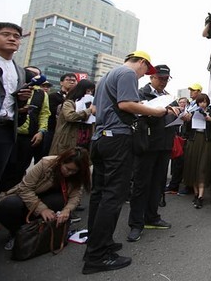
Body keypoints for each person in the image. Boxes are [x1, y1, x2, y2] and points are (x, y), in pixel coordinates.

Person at [83, 50, 167, 275]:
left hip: (100, 138)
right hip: (118, 138)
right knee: (114, 195)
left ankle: (97, 243)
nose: (141, 76)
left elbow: (95, 109)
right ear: (140, 62)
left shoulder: (106, 77)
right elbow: (126, 105)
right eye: (144, 71)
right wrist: (155, 111)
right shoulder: (127, 74)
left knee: (99, 194)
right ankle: (97, 255)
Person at [0, 148, 90, 250]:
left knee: (59, 201)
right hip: (26, 198)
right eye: (67, 169)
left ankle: (41, 231)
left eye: (74, 171)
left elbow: (75, 196)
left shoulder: (78, 175)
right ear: (61, 162)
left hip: (48, 200)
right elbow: (25, 188)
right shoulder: (46, 163)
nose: (70, 173)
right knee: (8, 204)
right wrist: (42, 209)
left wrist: (67, 210)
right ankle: (17, 233)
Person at [127, 65, 179, 243]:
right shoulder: (140, 94)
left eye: (166, 78)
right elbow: (136, 114)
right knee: (141, 185)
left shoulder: (169, 97)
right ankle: (136, 223)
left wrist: (180, 114)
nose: (163, 81)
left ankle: (152, 217)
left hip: (164, 144)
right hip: (146, 144)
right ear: (151, 77)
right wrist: (163, 111)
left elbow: (174, 115)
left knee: (158, 183)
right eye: (161, 78)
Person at [0, 66, 50, 194]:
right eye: (31, 74)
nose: (34, 77)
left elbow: (44, 114)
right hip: (8, 132)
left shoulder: (41, 94)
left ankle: (6, 202)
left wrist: (41, 131)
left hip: (29, 137)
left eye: (37, 75)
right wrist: (18, 110)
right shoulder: (12, 86)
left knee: (19, 170)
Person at [0, 22, 32, 192]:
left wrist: (22, 100)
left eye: (16, 37)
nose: (12, 39)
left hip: (7, 129)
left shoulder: (20, 71)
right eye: (5, 34)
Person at [182, 93, 211, 209]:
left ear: (207, 102)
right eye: (200, 102)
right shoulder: (192, 112)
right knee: (193, 166)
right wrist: (188, 119)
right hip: (193, 140)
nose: (202, 104)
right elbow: (185, 129)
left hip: (206, 141)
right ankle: (196, 194)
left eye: (204, 101)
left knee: (202, 167)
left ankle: (201, 196)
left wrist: (210, 120)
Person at [49, 79, 96, 156]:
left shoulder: (92, 105)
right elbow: (70, 116)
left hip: (85, 140)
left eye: (91, 92)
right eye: (88, 91)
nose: (90, 94)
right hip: (67, 141)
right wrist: (88, 110)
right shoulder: (69, 103)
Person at [42, 73, 78, 157]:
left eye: (73, 80)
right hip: (52, 130)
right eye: (68, 80)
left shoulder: (77, 99)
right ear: (61, 82)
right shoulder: (53, 96)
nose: (71, 82)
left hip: (68, 133)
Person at [165, 96, 189, 194]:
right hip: (176, 139)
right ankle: (173, 184)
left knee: (180, 163)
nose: (181, 104)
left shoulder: (189, 113)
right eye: (180, 102)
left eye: (184, 102)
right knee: (175, 163)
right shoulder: (175, 112)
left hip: (185, 140)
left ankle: (174, 186)